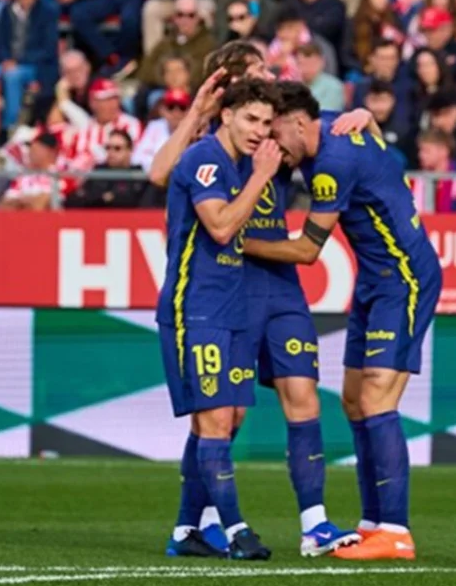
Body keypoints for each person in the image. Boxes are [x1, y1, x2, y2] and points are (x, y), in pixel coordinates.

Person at [149, 40, 376, 557]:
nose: (269, 76)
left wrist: (363, 116)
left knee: (302, 392)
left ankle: (314, 523)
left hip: (279, 280)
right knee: (224, 415)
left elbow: (318, 127)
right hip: (231, 284)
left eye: (267, 69)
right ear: (227, 92)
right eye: (256, 71)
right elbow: (159, 174)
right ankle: (201, 522)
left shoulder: (272, 123)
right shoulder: (212, 143)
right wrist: (196, 112)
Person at [244, 82, 443, 562]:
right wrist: (367, 116)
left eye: (275, 134)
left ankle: (396, 531)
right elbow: (364, 129)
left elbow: (307, 250)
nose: (273, 146)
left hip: (404, 278)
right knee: (354, 400)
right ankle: (373, 523)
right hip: (374, 280)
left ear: (297, 123)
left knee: (376, 397)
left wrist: (234, 242)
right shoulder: (330, 124)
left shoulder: (333, 162)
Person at [155, 77, 283, 561]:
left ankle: (186, 529)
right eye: (250, 118)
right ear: (226, 115)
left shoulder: (241, 162)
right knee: (215, 420)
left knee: (228, 419)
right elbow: (222, 226)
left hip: (231, 308)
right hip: (195, 307)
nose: (259, 130)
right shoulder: (205, 159)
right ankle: (236, 531)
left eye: (266, 122)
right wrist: (261, 177)